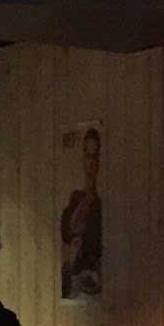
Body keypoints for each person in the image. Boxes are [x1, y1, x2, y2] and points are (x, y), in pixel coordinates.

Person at [59, 125, 103, 299]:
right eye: (87, 155)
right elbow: (70, 230)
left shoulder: (102, 206)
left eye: (94, 156)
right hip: (75, 285)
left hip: (94, 286)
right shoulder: (75, 199)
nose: (90, 163)